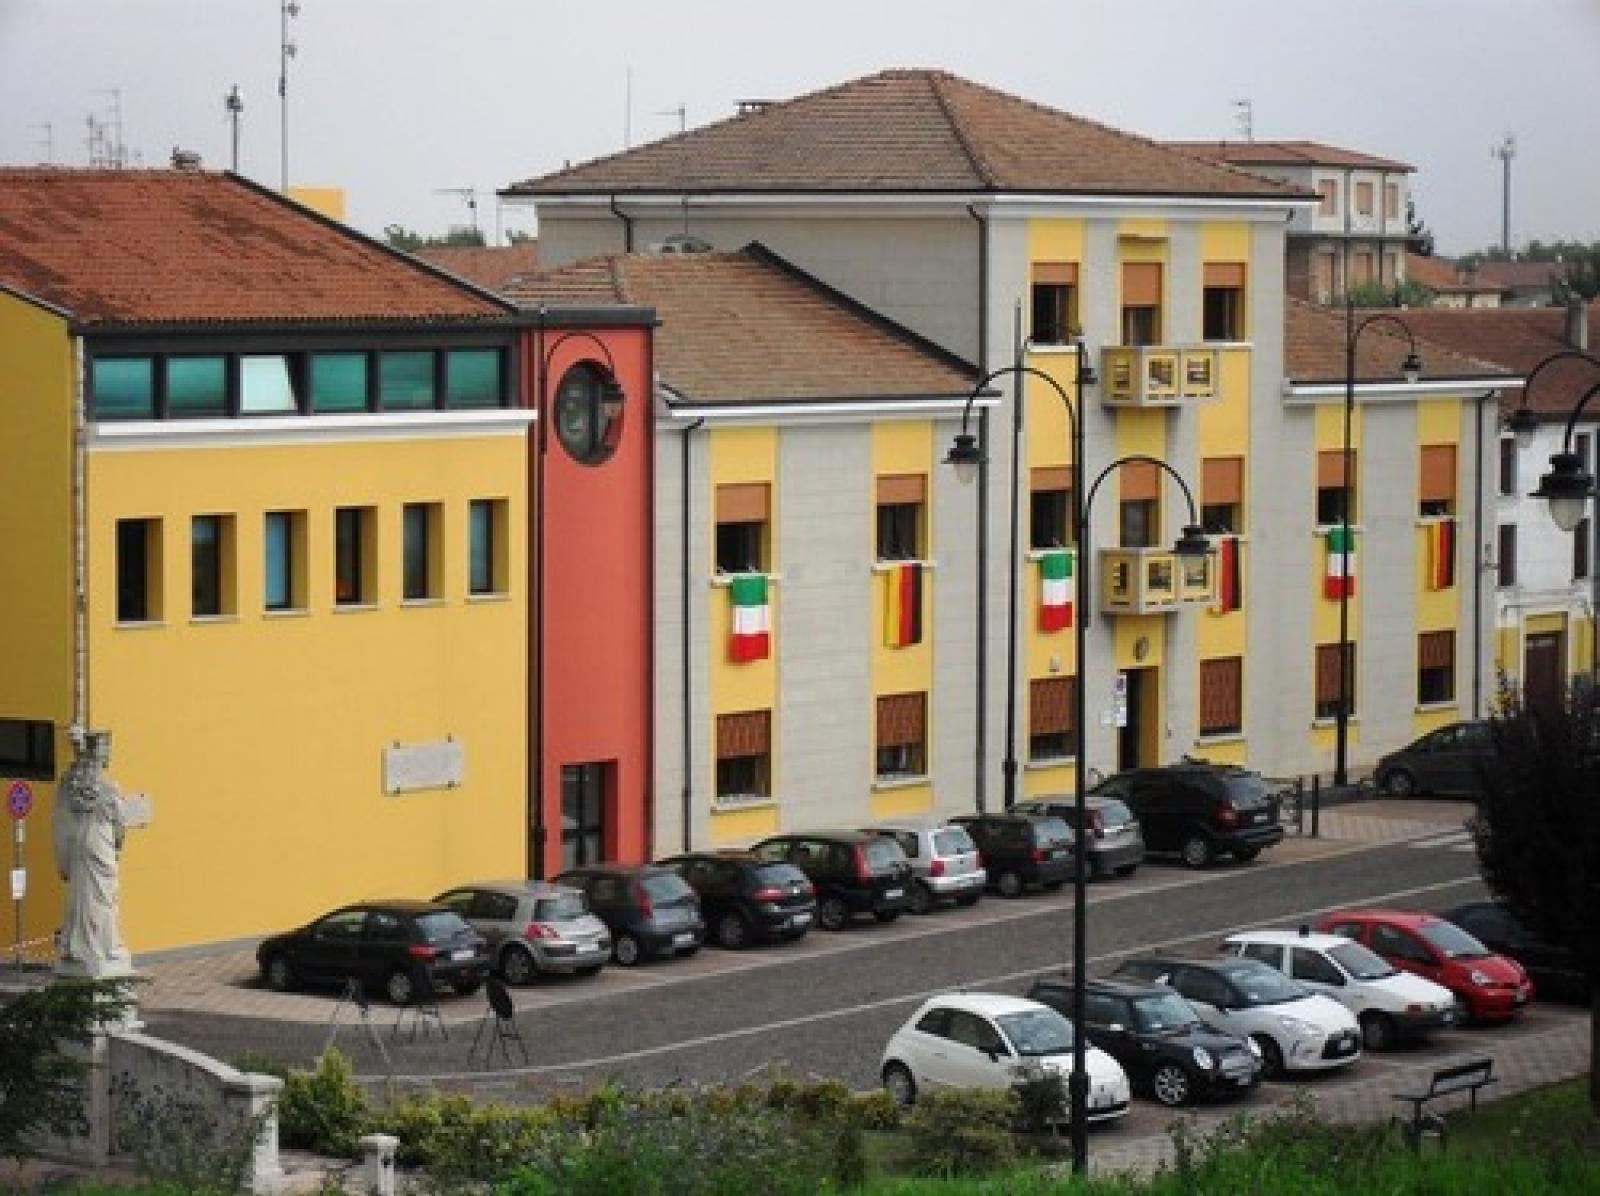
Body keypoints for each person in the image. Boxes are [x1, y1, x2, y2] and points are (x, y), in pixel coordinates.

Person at [52, 728, 133, 977]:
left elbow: (59, 819)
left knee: (80, 896)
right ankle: (103, 946)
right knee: (103, 897)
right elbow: (120, 825)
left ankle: (78, 945)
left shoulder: (70, 784)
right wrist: (118, 845)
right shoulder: (109, 787)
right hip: (100, 844)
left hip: (78, 844)